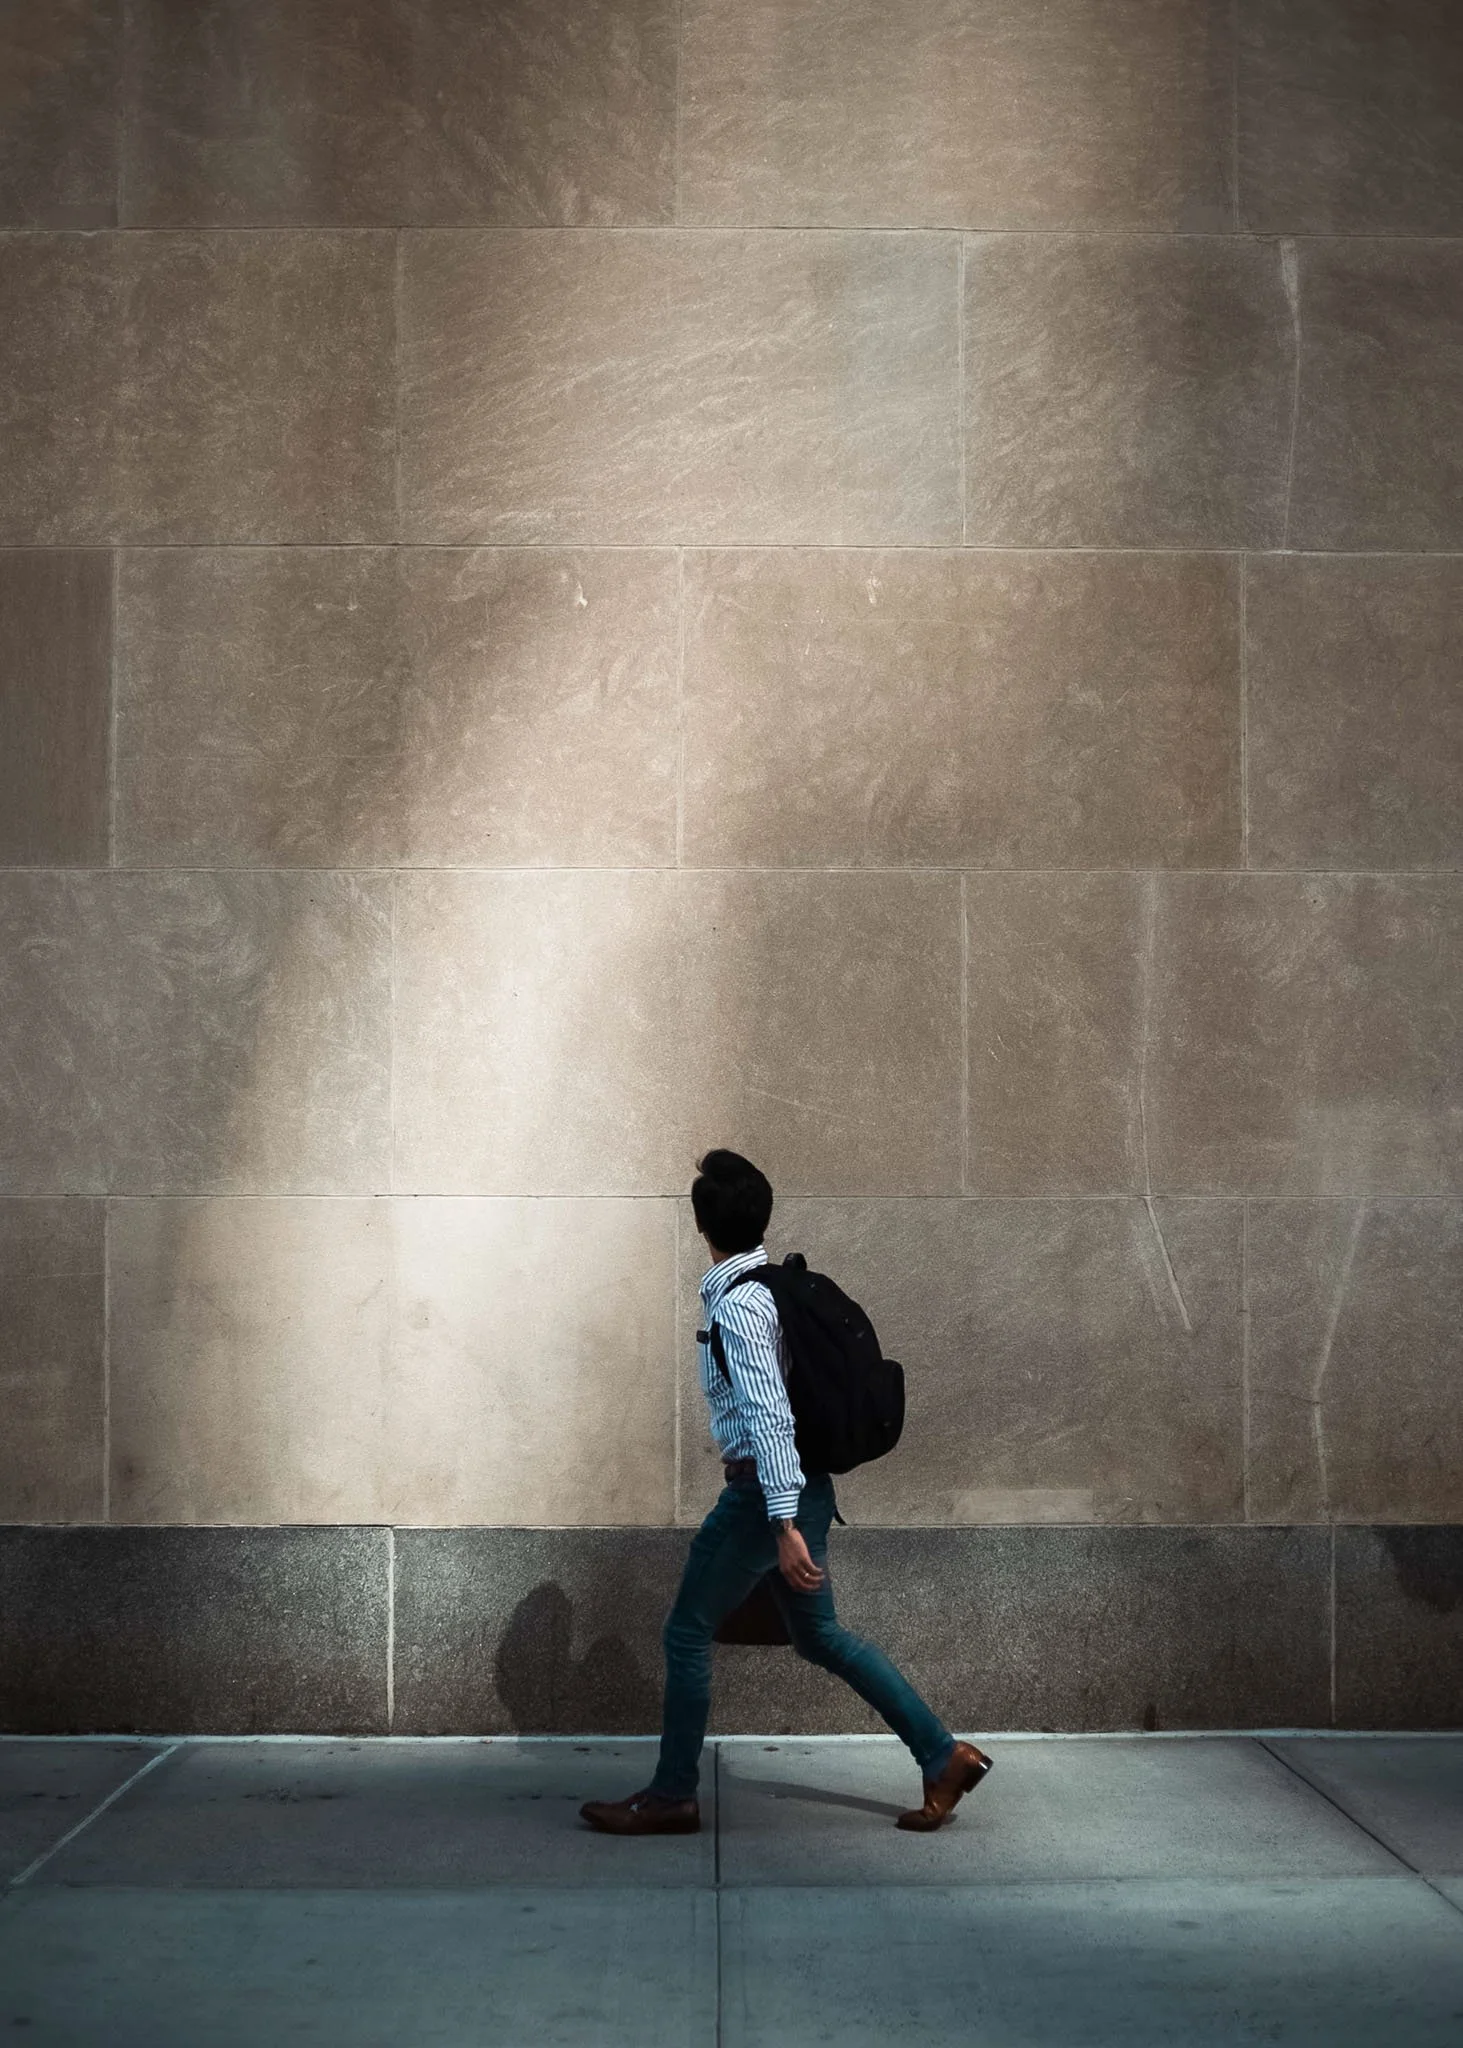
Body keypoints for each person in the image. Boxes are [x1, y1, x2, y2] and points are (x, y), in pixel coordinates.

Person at [580, 1148, 992, 1836]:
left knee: (685, 1633)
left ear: (699, 1225)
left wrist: (780, 1522)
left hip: (764, 1500)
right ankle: (942, 1755)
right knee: (821, 1637)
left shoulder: (741, 1305)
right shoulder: (765, 1290)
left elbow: (769, 1415)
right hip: (802, 1490)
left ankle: (672, 1793)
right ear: (761, 1218)